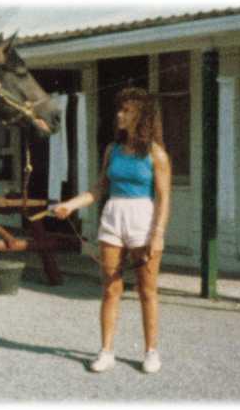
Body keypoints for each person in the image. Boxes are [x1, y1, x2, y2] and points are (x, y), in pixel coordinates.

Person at [53, 87, 171, 374]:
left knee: (147, 290)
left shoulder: (157, 154)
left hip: (143, 218)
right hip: (113, 217)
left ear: (141, 116)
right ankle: (106, 351)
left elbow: (164, 198)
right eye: (120, 109)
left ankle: (151, 352)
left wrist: (158, 234)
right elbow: (99, 188)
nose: (119, 114)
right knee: (110, 289)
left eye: (127, 110)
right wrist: (71, 204)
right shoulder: (112, 150)